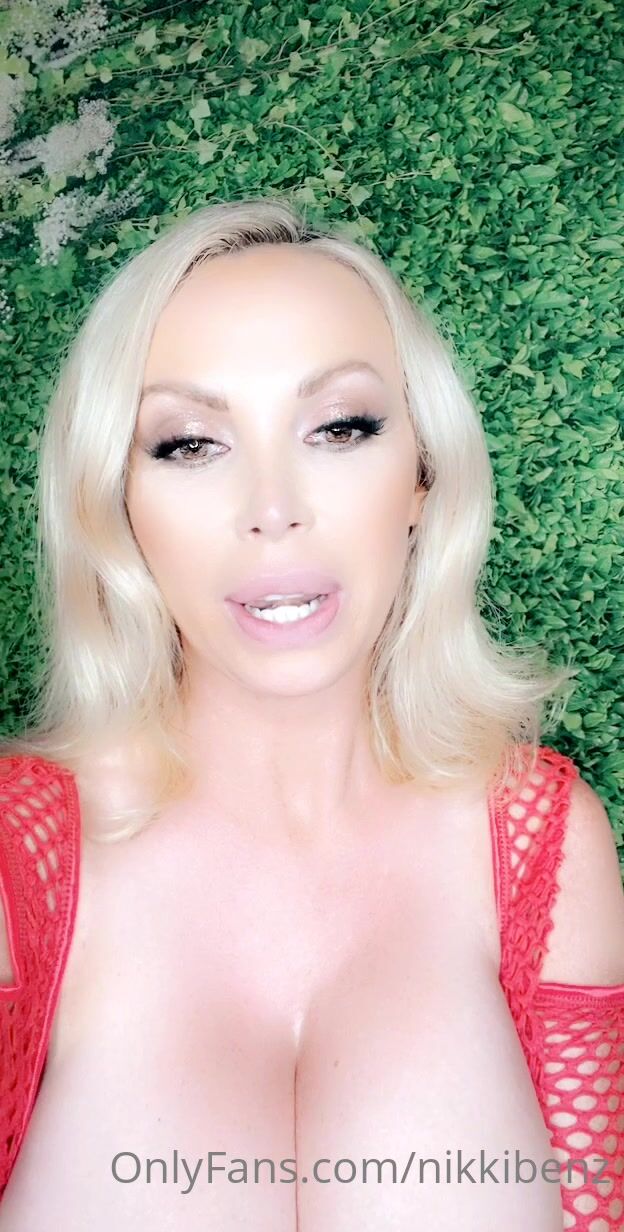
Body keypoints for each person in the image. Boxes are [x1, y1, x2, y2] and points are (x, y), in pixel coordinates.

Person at [0, 196, 622, 1231]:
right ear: (115, 501)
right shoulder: (14, 855)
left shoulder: (544, 843)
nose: (273, 507)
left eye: (340, 427)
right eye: (189, 443)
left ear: (421, 477)